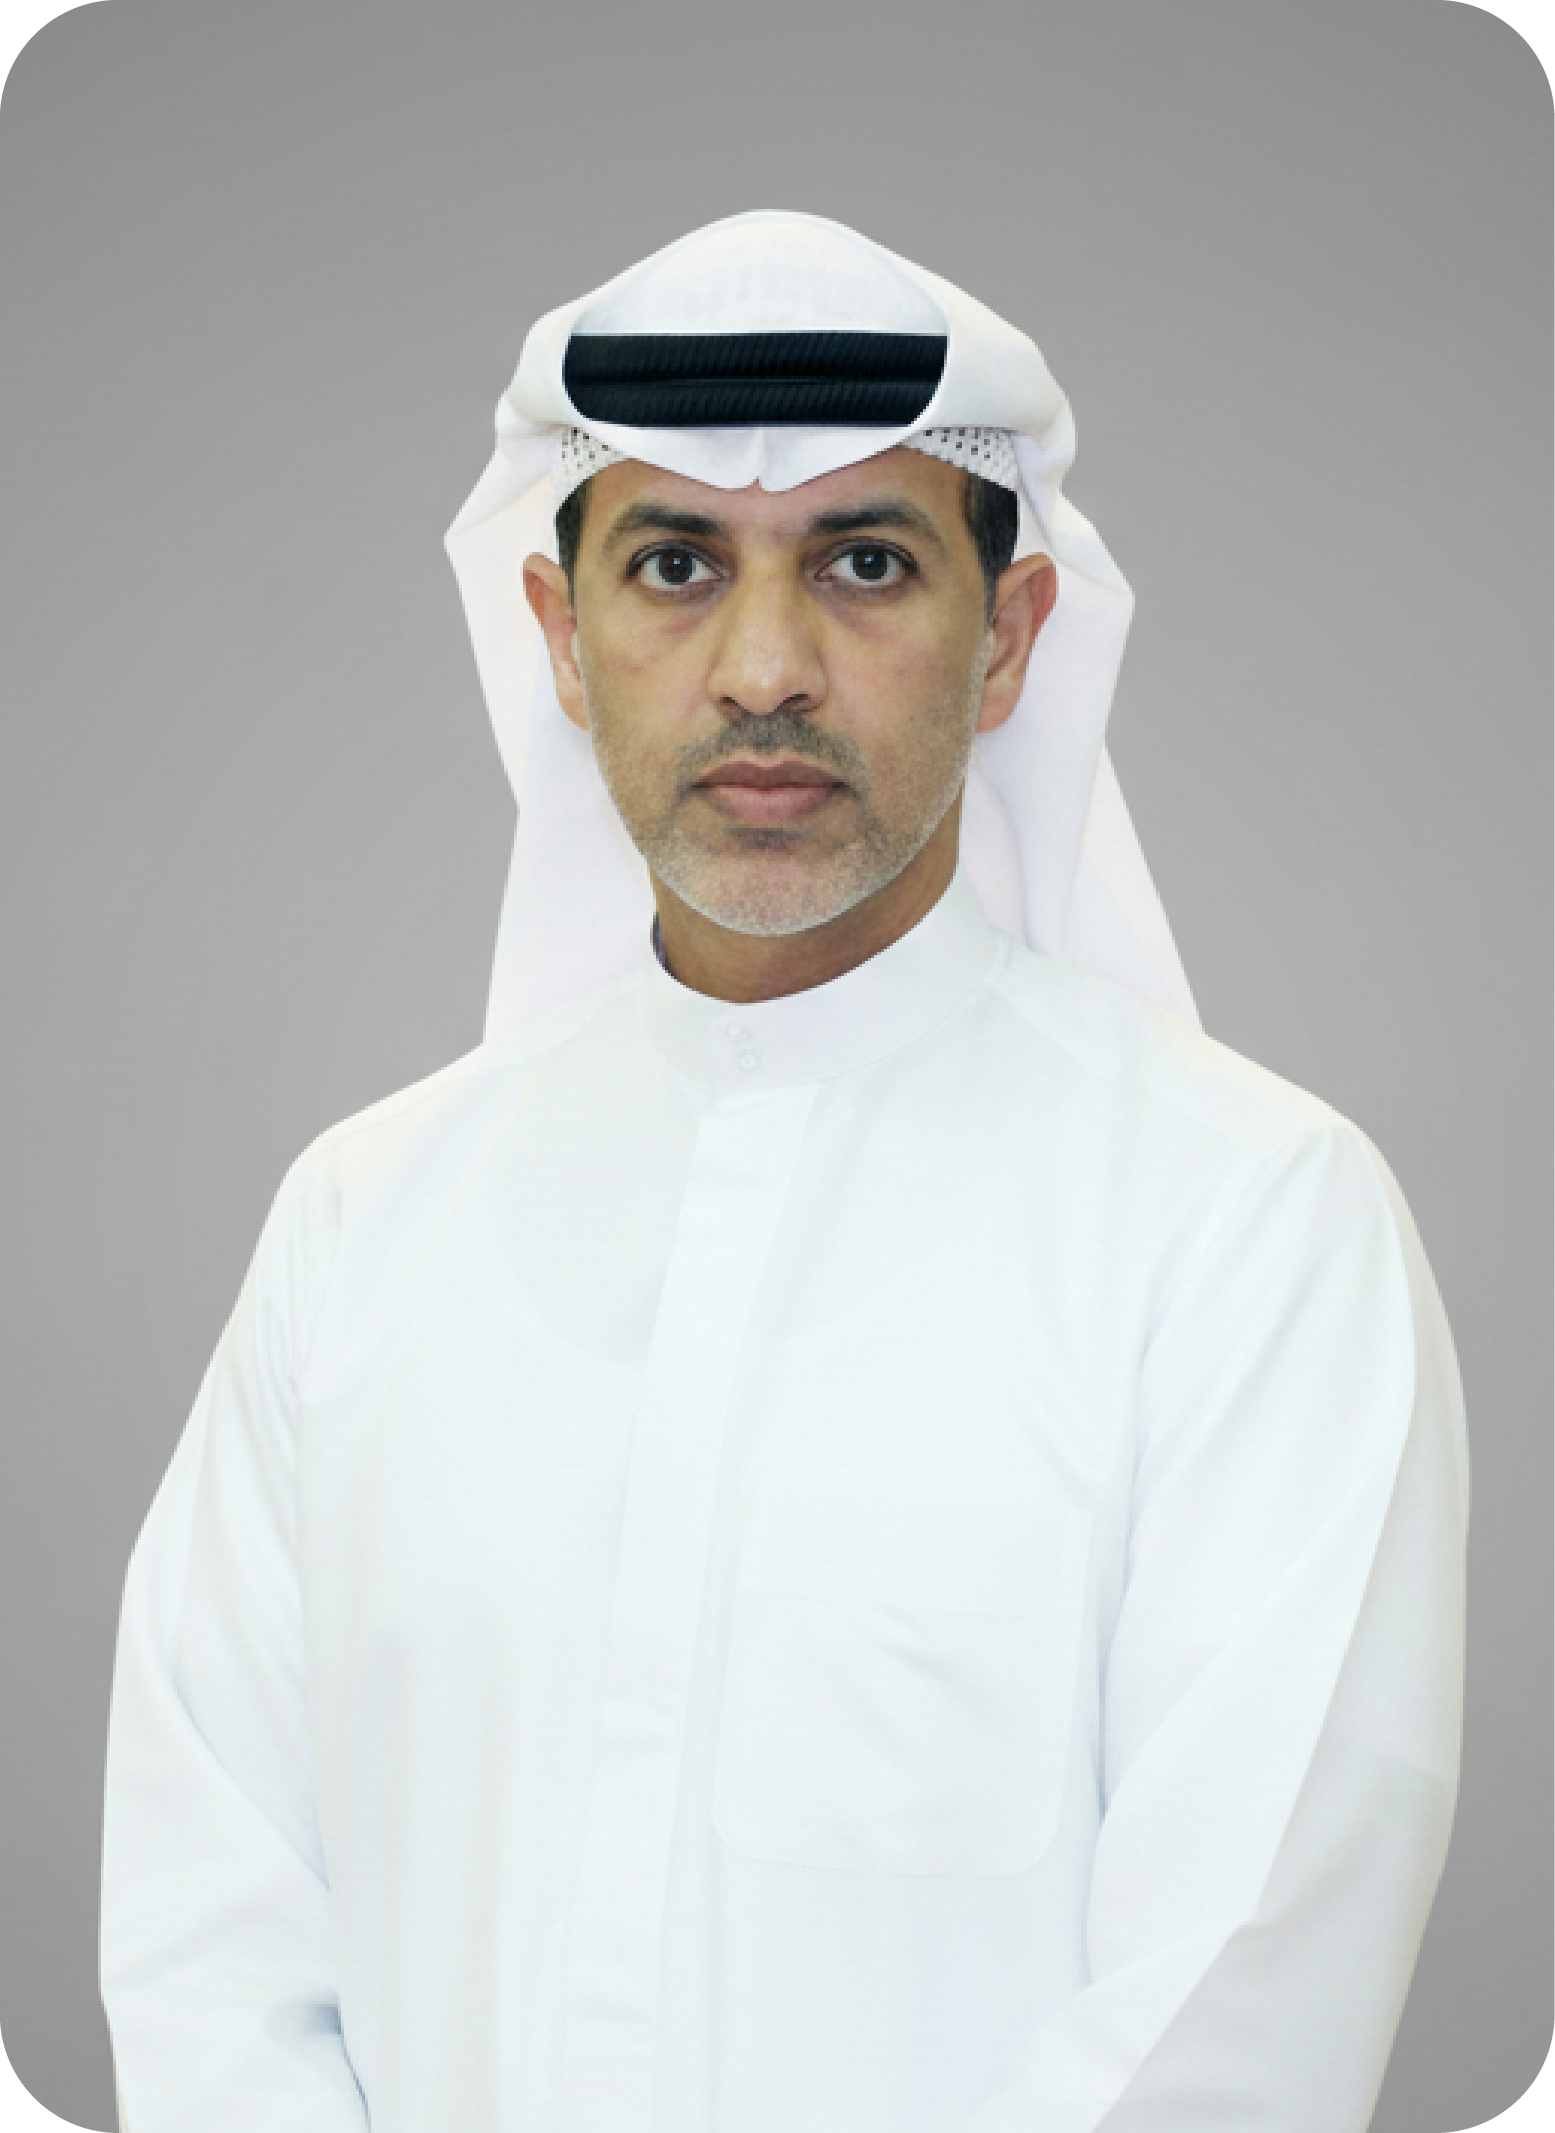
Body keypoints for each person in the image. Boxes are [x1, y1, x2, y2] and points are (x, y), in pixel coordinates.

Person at [98, 210, 1468, 2133]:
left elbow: (1231, 2011)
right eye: (673, 565)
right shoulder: (359, 1222)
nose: (762, 669)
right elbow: (210, 1942)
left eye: (863, 563)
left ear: (1008, 638)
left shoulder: (1248, 1227)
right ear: (559, 637)